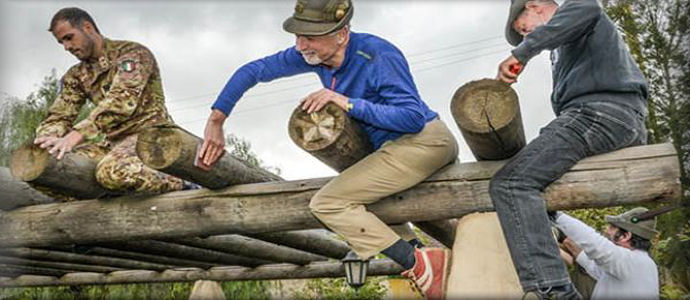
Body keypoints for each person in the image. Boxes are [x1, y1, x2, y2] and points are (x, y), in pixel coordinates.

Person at [199, 0, 458, 298]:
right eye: (297, 36)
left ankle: (418, 264)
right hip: (391, 151)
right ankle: (423, 260)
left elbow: (411, 118)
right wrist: (216, 120)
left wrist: (345, 102)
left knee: (328, 203)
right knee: (365, 205)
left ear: (342, 34)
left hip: (424, 141)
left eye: (309, 37)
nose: (299, 45)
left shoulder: (378, 54)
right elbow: (253, 71)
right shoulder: (312, 56)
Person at [490, 0, 649, 298]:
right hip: (604, 116)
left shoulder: (579, 11)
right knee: (537, 180)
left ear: (535, 5)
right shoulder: (563, 50)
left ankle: (553, 290)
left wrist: (521, 54)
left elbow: (588, 7)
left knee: (510, 183)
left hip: (602, 112)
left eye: (524, 29)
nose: (527, 38)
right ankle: (548, 254)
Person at [34, 7, 186, 194]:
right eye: (61, 43)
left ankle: (180, 182)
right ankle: (102, 204)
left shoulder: (132, 54)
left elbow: (121, 101)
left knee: (112, 173)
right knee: (52, 171)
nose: (67, 47)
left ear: (88, 28)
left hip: (151, 138)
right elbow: (59, 115)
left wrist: (76, 135)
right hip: (112, 144)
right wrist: (45, 140)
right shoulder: (76, 75)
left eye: (69, 37)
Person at [555, 208, 659, 299]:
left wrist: (557, 216)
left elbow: (595, 244)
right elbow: (592, 266)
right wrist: (564, 238)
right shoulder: (639, 264)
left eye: (612, 227)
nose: (607, 230)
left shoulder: (633, 262)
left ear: (625, 236)